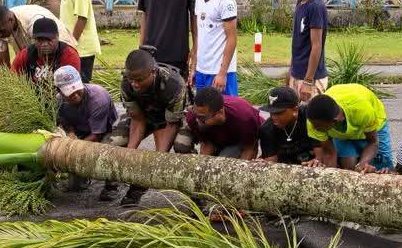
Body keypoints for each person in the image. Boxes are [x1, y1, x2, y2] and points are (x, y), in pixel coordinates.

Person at [109, 47, 191, 205]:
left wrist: (158, 157)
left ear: (153, 72)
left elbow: (171, 124)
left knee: (168, 154)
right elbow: (137, 119)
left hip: (169, 120)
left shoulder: (174, 85)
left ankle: (138, 189)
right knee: (116, 144)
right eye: (131, 79)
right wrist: (128, 153)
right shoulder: (127, 83)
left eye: (139, 80)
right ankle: (111, 183)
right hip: (143, 116)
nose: (134, 84)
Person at [54, 64, 121, 198]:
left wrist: (72, 148)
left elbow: (97, 135)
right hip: (81, 132)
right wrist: (71, 135)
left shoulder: (98, 98)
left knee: (110, 150)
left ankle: (112, 185)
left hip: (106, 131)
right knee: (75, 186)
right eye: (69, 92)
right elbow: (66, 123)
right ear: (60, 91)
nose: (75, 94)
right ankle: (83, 175)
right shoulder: (59, 101)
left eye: (77, 89)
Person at [304, 84, 394, 172]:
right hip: (342, 130)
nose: (314, 129)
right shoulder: (314, 121)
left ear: (334, 121)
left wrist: (363, 163)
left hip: (372, 125)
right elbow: (329, 153)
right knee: (348, 168)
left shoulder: (362, 110)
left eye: (319, 129)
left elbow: (373, 142)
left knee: (384, 167)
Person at [192, 0, 238, 95]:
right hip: (202, 70)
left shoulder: (225, 0)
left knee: (225, 114)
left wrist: (222, 73)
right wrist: (193, 67)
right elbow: (199, 35)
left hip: (220, 72)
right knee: (204, 114)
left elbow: (232, 38)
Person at [53, 0, 101, 81]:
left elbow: (82, 18)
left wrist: (71, 44)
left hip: (81, 48)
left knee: (81, 86)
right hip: (73, 46)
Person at [288, 0, 328, 101]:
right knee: (296, 120)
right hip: (297, 73)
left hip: (311, 78)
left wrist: (308, 80)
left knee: (312, 121)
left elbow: (316, 46)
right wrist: (291, 71)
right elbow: (298, 42)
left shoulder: (315, 6)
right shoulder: (300, 3)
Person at [185, 87, 261, 159]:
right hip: (216, 139)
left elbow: (250, 149)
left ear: (220, 112)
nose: (198, 120)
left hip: (238, 141)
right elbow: (206, 144)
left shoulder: (244, 117)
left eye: (202, 118)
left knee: (223, 160)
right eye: (196, 114)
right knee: (182, 145)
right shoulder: (193, 116)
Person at [10, 16, 82, 84]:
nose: (44, 44)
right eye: (40, 40)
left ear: (57, 37)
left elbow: (72, 89)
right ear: (34, 40)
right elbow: (12, 80)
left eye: (48, 39)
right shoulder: (25, 54)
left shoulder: (69, 55)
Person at [0, 3, 76, 57]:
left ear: (10, 20)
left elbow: (43, 53)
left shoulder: (34, 20)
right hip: (38, 52)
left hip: (61, 48)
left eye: (1, 31)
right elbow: (3, 61)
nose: (0, 35)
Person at [258, 86, 318, 165]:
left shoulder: (310, 118)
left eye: (279, 113)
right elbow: (271, 161)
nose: (273, 117)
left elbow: (324, 152)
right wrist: (265, 164)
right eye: (271, 112)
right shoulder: (267, 129)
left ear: (295, 110)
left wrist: (317, 160)